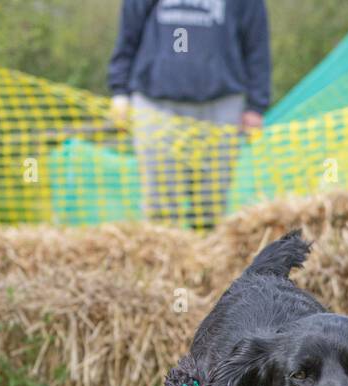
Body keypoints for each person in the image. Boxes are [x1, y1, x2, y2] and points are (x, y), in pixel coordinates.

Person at [108, 0, 271, 229]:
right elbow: (128, 34)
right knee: (161, 206)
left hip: (222, 106)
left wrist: (256, 105)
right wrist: (120, 91)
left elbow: (257, 44)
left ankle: (206, 261)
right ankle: (164, 260)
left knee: (210, 205)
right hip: (156, 106)